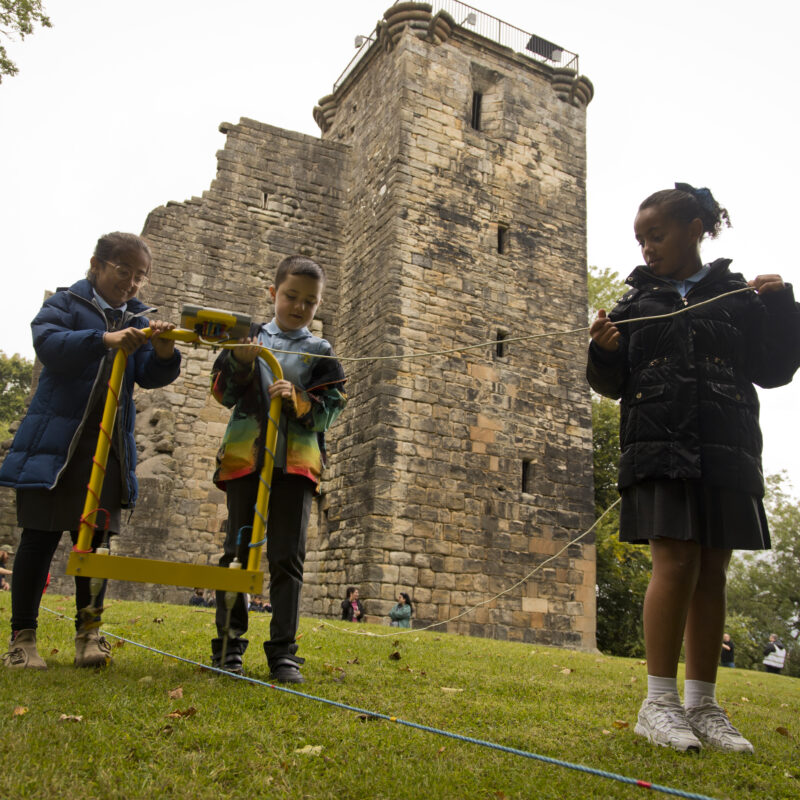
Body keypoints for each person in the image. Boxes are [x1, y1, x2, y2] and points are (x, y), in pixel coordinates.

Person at [587, 183, 800, 754]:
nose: (646, 248)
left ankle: (703, 705)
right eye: (640, 238)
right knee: (675, 560)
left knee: (712, 570)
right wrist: (605, 351)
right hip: (659, 446)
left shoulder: (737, 295)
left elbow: (775, 368)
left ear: (696, 229)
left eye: (656, 235)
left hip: (726, 444)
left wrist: (781, 304)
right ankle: (657, 703)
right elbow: (611, 386)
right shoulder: (633, 305)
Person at [0, 232, 181, 670]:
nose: (132, 283)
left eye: (140, 276)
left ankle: (89, 635)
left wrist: (162, 351)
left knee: (95, 546)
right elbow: (49, 346)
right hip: (56, 443)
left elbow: (150, 376)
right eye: (124, 271)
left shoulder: (138, 315)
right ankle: (22, 640)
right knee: (38, 541)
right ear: (96, 265)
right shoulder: (64, 304)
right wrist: (104, 340)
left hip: (108, 446)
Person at [210, 255, 347, 682]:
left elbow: (331, 411)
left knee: (288, 558)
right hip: (246, 460)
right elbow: (222, 393)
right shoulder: (248, 337)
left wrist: (299, 400)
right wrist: (242, 362)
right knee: (236, 553)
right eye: (291, 296)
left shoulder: (322, 353)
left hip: (295, 467)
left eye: (310, 301)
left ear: (318, 305)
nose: (299, 306)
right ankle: (229, 647)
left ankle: (283, 653)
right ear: (273, 294)